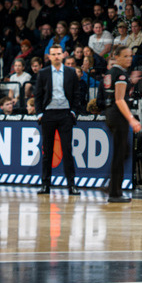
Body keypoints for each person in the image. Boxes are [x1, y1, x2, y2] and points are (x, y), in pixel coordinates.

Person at [34, 45, 84, 195]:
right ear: (49, 56)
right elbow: (38, 95)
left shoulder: (70, 72)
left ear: (63, 55)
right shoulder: (43, 73)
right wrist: (39, 114)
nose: (56, 56)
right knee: (47, 152)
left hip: (65, 115)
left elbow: (76, 93)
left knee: (67, 150)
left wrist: (74, 112)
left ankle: (71, 184)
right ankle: (45, 184)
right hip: (48, 114)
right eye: (53, 54)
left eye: (58, 54)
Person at [101, 45, 141, 203]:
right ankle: (115, 193)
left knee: (124, 151)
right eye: (125, 56)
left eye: (130, 56)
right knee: (119, 153)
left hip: (111, 114)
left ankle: (111, 185)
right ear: (115, 57)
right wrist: (131, 119)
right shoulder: (120, 74)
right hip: (118, 116)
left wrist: (132, 81)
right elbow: (119, 99)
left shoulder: (112, 72)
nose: (129, 59)